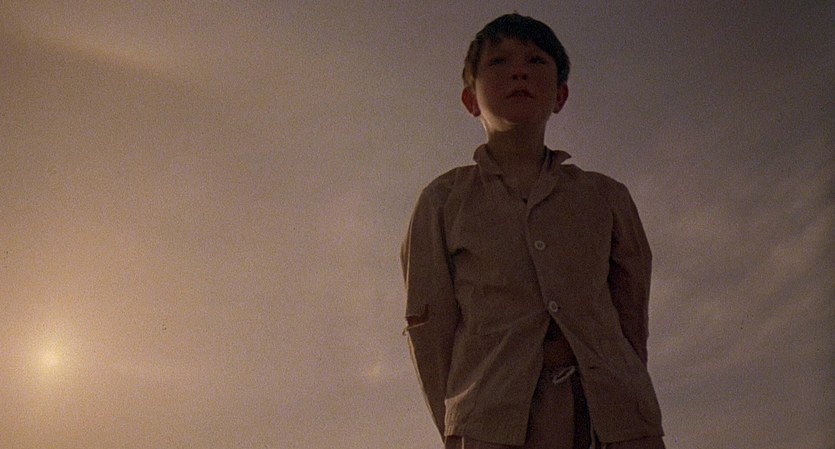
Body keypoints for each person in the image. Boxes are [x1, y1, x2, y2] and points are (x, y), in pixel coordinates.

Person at [400, 13, 666, 449]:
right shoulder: (443, 201)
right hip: (490, 423)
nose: (519, 71)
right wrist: (462, 421)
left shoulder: (605, 197)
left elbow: (631, 312)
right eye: (498, 62)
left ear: (560, 95)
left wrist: (625, 395)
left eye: (536, 61)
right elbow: (430, 329)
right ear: (470, 99)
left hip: (613, 422)